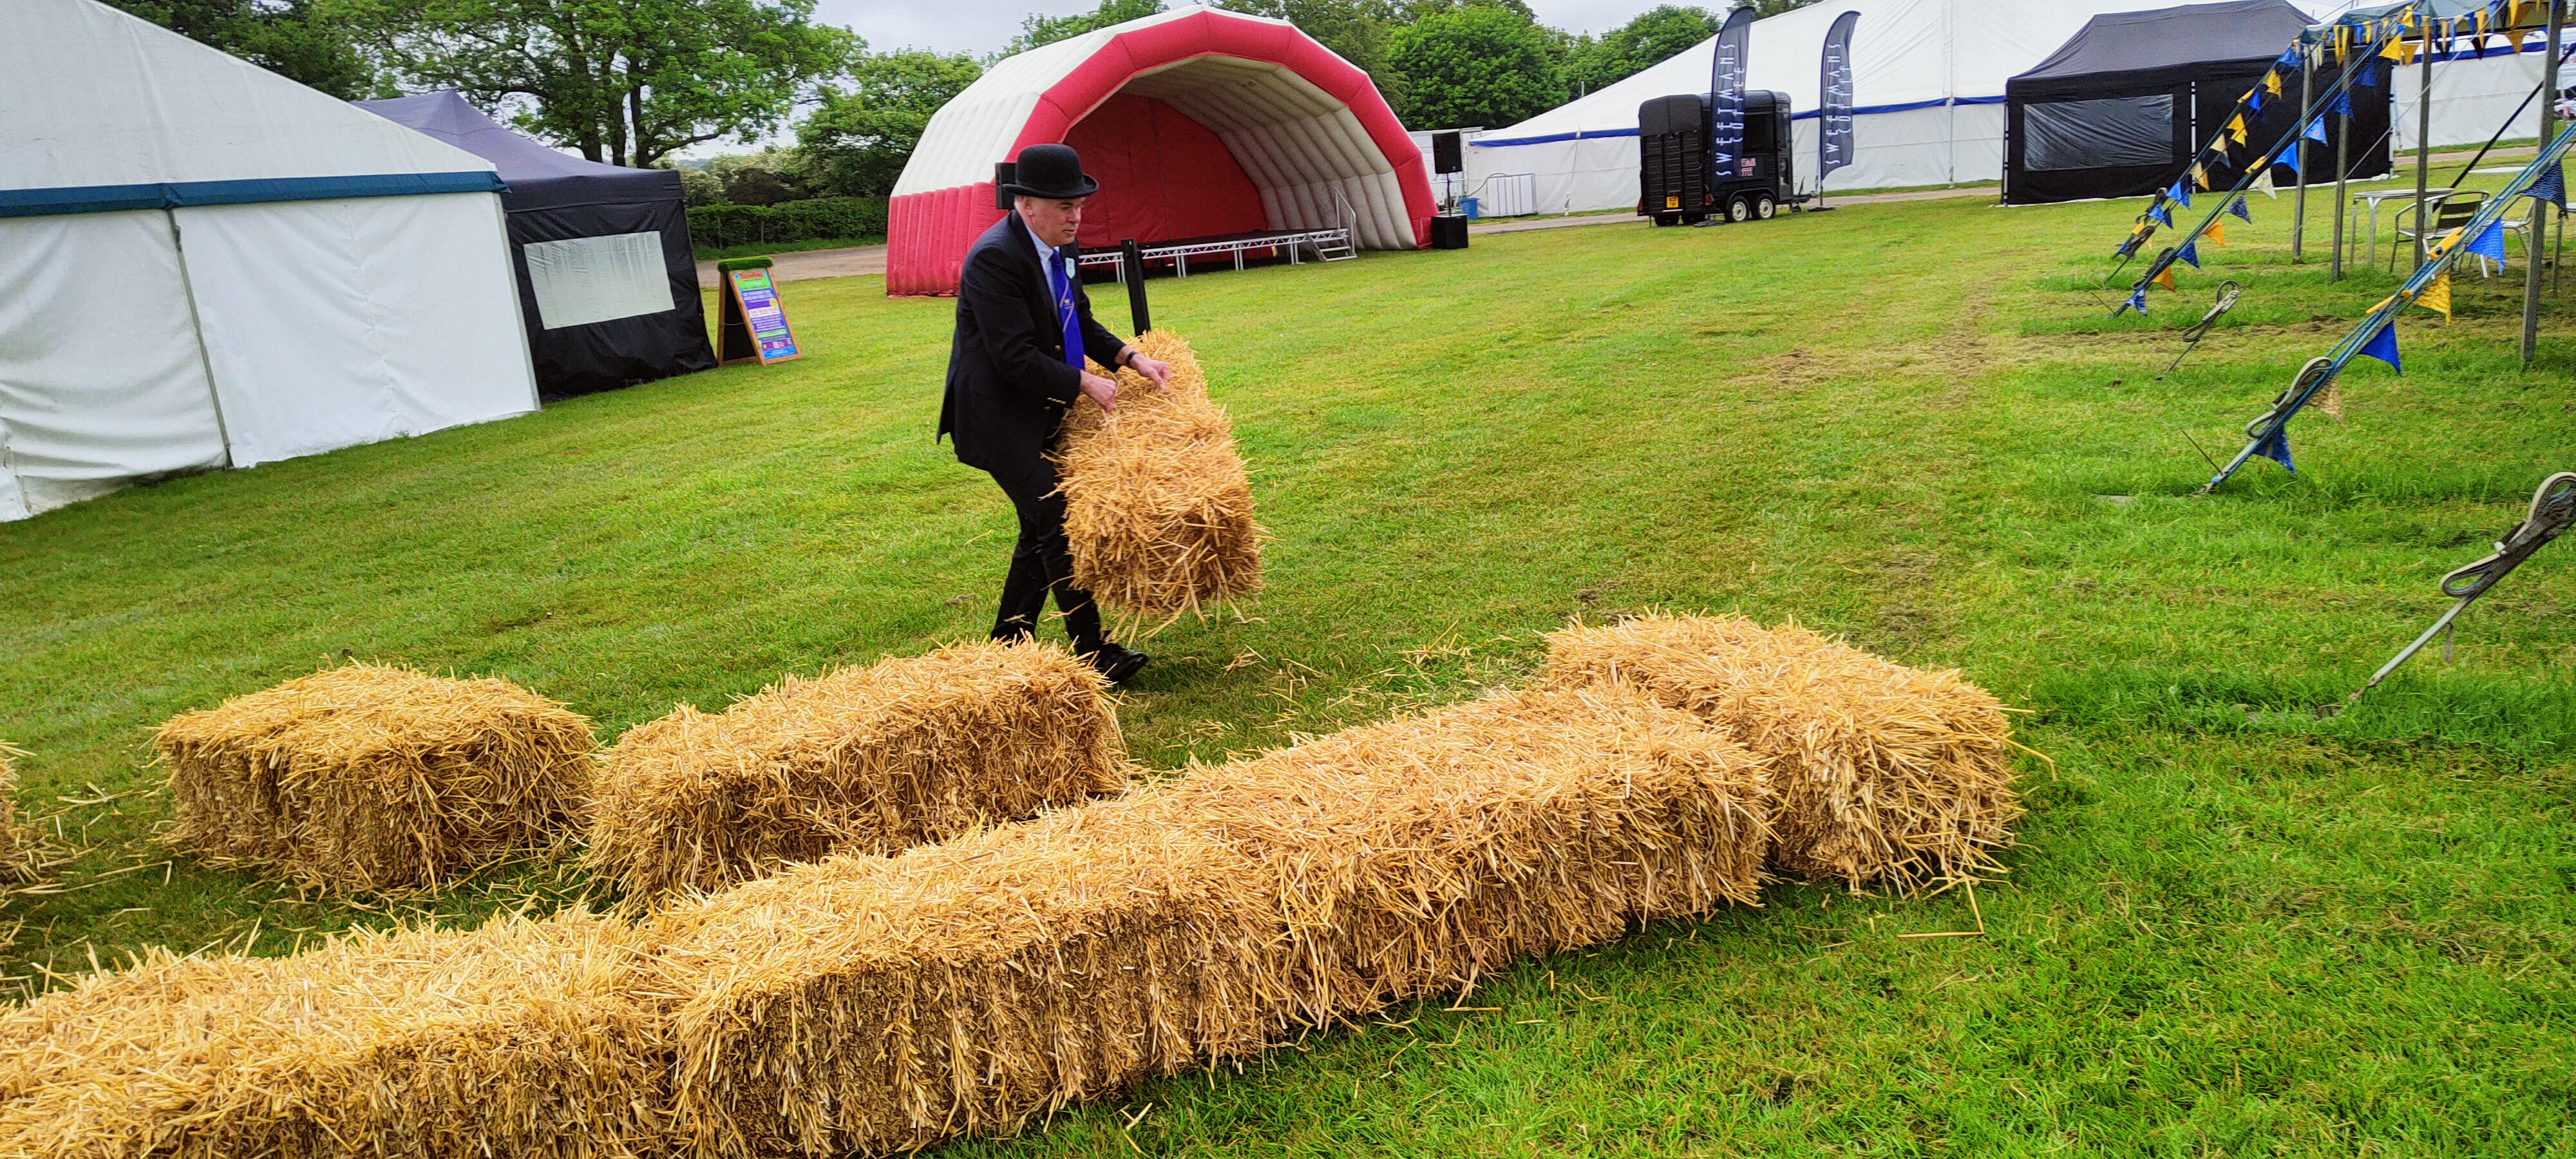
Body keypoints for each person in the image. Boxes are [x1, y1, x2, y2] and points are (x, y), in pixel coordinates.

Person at [940, 142, 1170, 685]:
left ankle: (1008, 642)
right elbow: (1011, 355)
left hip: (1033, 409)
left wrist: (1131, 359)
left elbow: (1081, 322)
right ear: (1025, 205)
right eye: (1063, 206)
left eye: (1079, 204)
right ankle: (1096, 653)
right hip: (996, 418)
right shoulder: (995, 257)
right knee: (1059, 521)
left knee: (1037, 527)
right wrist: (1084, 381)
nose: (1076, 216)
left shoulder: (1060, 250)